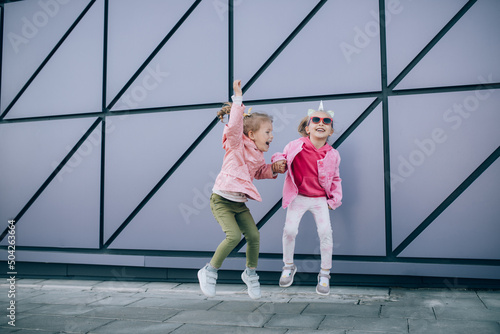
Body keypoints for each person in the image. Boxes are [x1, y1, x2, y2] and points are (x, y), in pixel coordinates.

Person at [198, 80, 286, 299]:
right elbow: (235, 126)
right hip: (221, 200)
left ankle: (250, 273)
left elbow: (256, 173)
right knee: (234, 236)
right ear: (251, 134)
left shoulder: (258, 154)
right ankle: (209, 271)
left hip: (239, 203)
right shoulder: (236, 143)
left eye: (271, 132)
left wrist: (272, 168)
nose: (271, 136)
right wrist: (238, 98)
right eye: (267, 132)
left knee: (254, 235)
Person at [272, 101, 342, 295]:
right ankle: (288, 266)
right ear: (307, 127)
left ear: (330, 130)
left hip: (320, 199)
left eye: (326, 121)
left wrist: (334, 200)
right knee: (290, 230)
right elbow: (281, 155)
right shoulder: (295, 146)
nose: (321, 123)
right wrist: (277, 161)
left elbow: (336, 178)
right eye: (316, 120)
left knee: (326, 233)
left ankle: (325, 273)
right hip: (298, 197)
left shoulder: (333, 154)